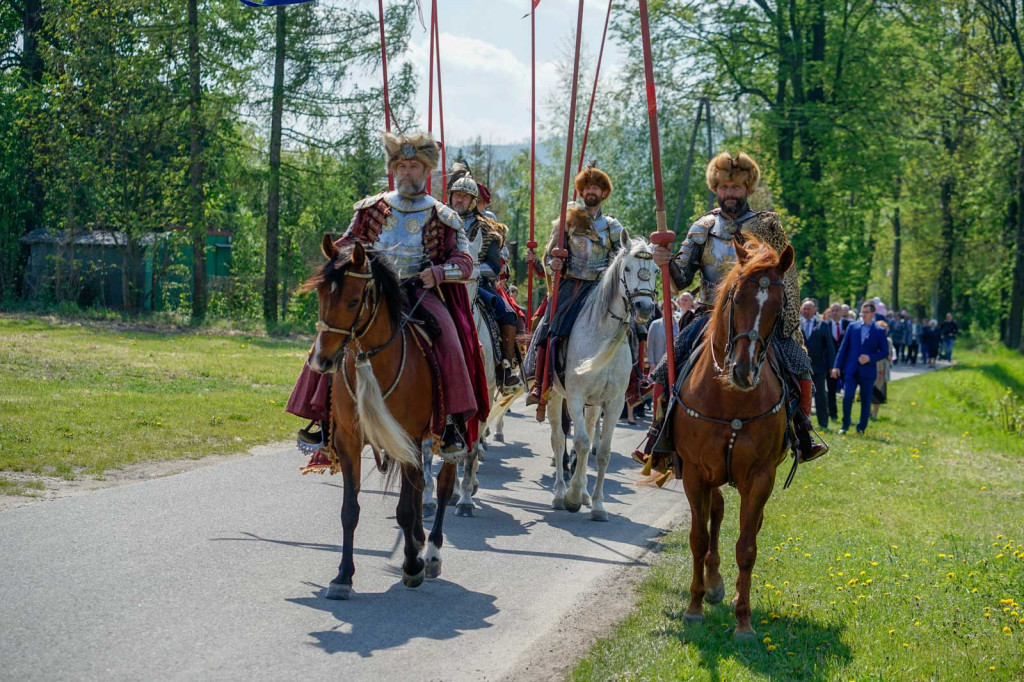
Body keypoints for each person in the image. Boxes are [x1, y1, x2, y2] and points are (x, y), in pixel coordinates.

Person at [287, 130, 487, 460]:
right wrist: (338, 257)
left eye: (414, 166)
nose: (407, 172)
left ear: (426, 171)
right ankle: (321, 416)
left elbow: (466, 263)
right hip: (373, 292)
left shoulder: (443, 215)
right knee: (331, 332)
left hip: (420, 292)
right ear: (394, 169)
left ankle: (452, 422)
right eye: (402, 166)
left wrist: (438, 272)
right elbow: (347, 244)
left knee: (451, 340)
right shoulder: (370, 208)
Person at [647, 151, 827, 462]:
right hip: (709, 314)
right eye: (724, 187)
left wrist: (784, 320)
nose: (730, 193)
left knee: (800, 364)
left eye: (736, 187)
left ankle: (803, 432)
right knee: (665, 369)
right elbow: (682, 278)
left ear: (747, 189)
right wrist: (664, 261)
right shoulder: (703, 227)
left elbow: (786, 277)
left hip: (758, 315)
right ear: (715, 188)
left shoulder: (767, 226)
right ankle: (657, 435)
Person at [525, 163, 626, 412]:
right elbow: (549, 257)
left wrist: (609, 271)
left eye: (596, 188)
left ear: (604, 193)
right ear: (581, 192)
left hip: (602, 287)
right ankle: (539, 380)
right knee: (549, 324)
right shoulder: (568, 220)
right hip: (572, 284)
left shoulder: (613, 226)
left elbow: (622, 258)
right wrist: (555, 263)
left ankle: (633, 382)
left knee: (629, 326)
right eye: (587, 187)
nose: (591, 191)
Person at [448, 174, 521, 390]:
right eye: (456, 195)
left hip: (478, 284)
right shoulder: (441, 221)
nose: (459, 200)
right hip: (444, 281)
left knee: (508, 313)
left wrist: (471, 272)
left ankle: (506, 368)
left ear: (472, 201)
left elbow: (494, 267)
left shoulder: (487, 230)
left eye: (464, 197)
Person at [831, 301, 890, 434]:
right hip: (851, 369)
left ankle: (861, 427)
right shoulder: (853, 327)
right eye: (862, 312)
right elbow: (843, 348)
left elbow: (884, 352)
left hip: (867, 371)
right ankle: (845, 424)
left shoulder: (879, 331)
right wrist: (836, 366)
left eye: (866, 312)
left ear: (873, 313)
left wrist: (870, 358)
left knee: (865, 400)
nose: (863, 314)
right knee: (847, 397)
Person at [801, 299, 836, 430]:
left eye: (808, 309)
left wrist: (832, 366)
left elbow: (830, 347)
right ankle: (801, 422)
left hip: (818, 367)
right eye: (804, 309)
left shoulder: (823, 325)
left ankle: (823, 423)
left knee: (820, 395)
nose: (806, 311)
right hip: (799, 367)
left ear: (815, 310)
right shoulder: (796, 324)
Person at [825, 303, 850, 423]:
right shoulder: (825, 326)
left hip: (846, 364)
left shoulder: (849, 325)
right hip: (831, 365)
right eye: (833, 310)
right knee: (831, 391)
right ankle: (833, 414)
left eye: (837, 310)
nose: (835, 312)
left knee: (848, 391)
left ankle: (847, 415)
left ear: (841, 312)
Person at [870, 321, 895, 421]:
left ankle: (874, 414)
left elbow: (890, 355)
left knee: (878, 391)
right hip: (874, 368)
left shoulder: (888, 341)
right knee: (871, 391)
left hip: (882, 368)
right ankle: (870, 413)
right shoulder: (873, 340)